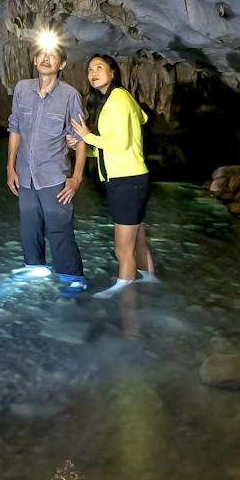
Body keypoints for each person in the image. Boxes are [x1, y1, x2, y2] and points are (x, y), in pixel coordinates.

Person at [65, 54, 155, 298]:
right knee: (137, 241)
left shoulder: (118, 98)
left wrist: (86, 136)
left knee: (122, 248)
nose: (92, 73)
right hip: (133, 177)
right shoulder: (117, 99)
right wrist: (84, 147)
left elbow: (120, 142)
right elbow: (113, 146)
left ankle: (125, 289)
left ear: (113, 72)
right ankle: (150, 282)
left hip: (126, 181)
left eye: (99, 67)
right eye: (89, 69)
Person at [7, 36, 87, 290]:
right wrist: (10, 167)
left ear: (61, 64)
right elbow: (15, 128)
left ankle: (73, 277)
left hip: (54, 176)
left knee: (59, 228)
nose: (45, 58)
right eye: (41, 54)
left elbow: (81, 139)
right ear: (34, 60)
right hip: (25, 174)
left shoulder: (69, 96)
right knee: (29, 227)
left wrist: (77, 177)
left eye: (52, 55)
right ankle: (35, 268)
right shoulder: (22, 89)